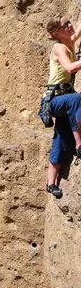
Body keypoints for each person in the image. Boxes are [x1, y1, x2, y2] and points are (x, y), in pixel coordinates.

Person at [42, 15, 81, 198]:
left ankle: (50, 183)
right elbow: (70, 68)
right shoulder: (59, 48)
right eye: (66, 25)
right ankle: (80, 144)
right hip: (54, 102)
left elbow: (78, 29)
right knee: (77, 99)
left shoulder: (69, 42)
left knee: (60, 136)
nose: (71, 26)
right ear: (57, 32)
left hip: (63, 101)